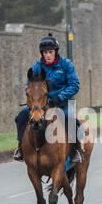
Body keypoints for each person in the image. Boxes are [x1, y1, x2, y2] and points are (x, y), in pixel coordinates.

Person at [14, 33, 84, 163]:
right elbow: (28, 87)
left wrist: (59, 97)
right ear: (42, 54)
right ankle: (20, 148)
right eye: (45, 53)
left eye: (50, 52)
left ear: (56, 52)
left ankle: (76, 150)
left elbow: (75, 85)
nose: (48, 55)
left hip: (64, 102)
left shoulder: (66, 65)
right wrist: (35, 98)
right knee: (21, 116)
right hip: (42, 105)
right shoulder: (36, 67)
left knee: (69, 118)